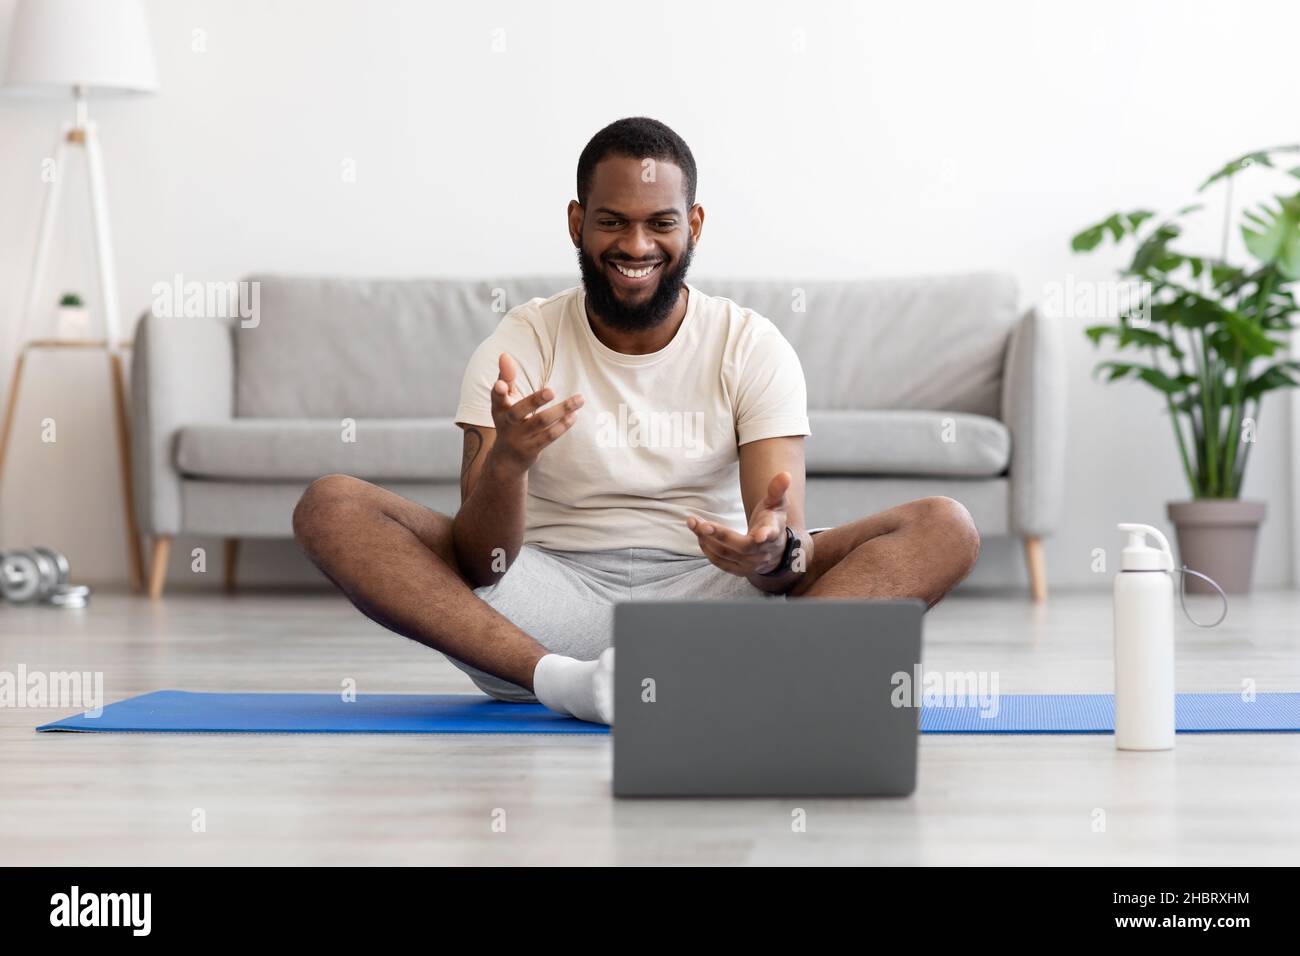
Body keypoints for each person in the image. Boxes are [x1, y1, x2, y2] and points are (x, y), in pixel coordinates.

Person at [293, 117, 981, 725]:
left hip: (707, 600)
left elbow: (783, 551)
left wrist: (770, 550)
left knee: (943, 526)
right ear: (576, 222)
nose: (636, 246)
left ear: (695, 226)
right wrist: (508, 464)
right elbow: (483, 561)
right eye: (613, 221)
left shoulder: (750, 344)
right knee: (331, 506)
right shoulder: (521, 343)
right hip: (541, 608)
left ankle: (749, 675)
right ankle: (567, 686)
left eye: (660, 223)